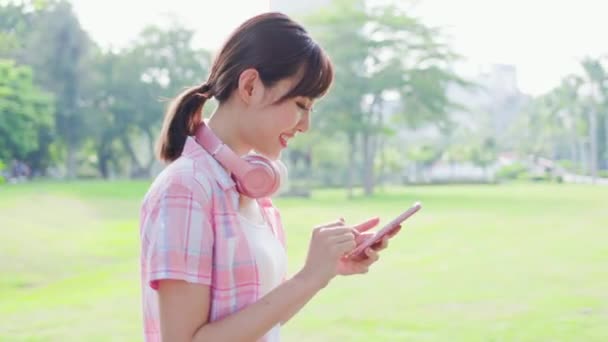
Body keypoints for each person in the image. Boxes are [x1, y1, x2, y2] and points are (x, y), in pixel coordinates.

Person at [139, 12, 400, 342]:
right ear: (250, 86)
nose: (305, 125)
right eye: (301, 104)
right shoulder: (186, 189)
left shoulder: (251, 188)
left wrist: (326, 269)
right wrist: (308, 277)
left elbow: (258, 322)